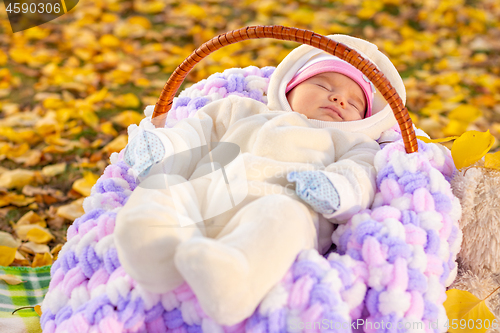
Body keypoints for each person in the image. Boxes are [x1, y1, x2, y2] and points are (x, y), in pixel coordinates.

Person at [114, 34, 406, 325]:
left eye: (354, 103)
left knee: (283, 219)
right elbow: (194, 135)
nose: (339, 98)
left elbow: (359, 177)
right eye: (323, 85)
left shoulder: (352, 144)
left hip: (281, 204)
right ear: (289, 88)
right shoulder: (240, 110)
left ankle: (233, 280)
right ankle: (152, 250)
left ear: (363, 120)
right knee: (165, 191)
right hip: (208, 192)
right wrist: (162, 148)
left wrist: (334, 190)